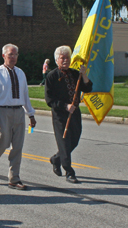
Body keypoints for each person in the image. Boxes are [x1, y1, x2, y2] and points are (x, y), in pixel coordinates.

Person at [0, 44, 36, 190]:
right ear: (3, 56)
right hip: (2, 112)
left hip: (18, 112)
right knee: (3, 142)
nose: (13, 57)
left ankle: (14, 178)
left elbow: (25, 95)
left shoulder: (20, 73)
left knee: (18, 146)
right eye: (10, 54)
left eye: (15, 54)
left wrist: (30, 114)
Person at [45, 45, 92, 184]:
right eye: (62, 58)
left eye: (67, 57)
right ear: (57, 60)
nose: (65, 60)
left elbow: (88, 88)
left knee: (74, 140)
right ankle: (69, 171)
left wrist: (83, 74)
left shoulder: (75, 74)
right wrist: (65, 106)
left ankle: (56, 159)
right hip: (60, 115)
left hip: (75, 113)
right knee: (64, 143)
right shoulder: (52, 76)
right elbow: (49, 100)